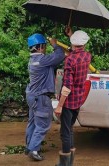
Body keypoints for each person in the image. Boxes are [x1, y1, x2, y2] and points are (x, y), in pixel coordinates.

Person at [25, 33, 65, 161]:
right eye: (45, 46)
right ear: (39, 47)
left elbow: (51, 64)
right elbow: (59, 55)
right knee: (42, 124)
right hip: (41, 97)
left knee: (32, 122)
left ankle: (29, 146)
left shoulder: (32, 61)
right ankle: (34, 150)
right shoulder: (42, 60)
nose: (46, 48)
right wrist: (55, 44)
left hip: (32, 96)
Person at [54, 28, 91, 166]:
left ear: (73, 44)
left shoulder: (70, 60)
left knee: (65, 132)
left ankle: (65, 163)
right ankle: (70, 161)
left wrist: (59, 106)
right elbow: (77, 51)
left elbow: (67, 86)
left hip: (69, 102)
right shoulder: (87, 56)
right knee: (70, 128)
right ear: (84, 44)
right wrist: (71, 35)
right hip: (78, 100)